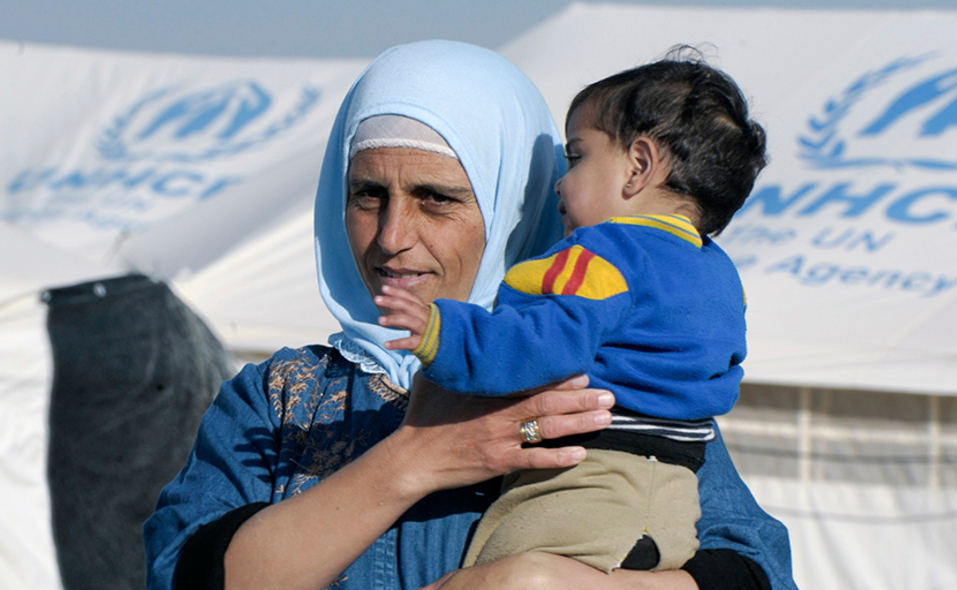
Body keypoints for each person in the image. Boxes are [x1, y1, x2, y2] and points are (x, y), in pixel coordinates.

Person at [144, 40, 797, 590]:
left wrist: (546, 581)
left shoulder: (596, 381)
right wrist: (415, 459)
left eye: (436, 199)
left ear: (516, 198)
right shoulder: (278, 401)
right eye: (368, 194)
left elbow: (754, 568)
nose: (393, 235)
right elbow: (183, 573)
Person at [373, 55, 766, 574]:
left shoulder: (603, 255)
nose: (560, 182)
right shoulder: (719, 277)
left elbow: (541, 344)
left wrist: (444, 334)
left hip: (582, 488)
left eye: (576, 157)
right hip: (676, 499)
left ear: (639, 166)